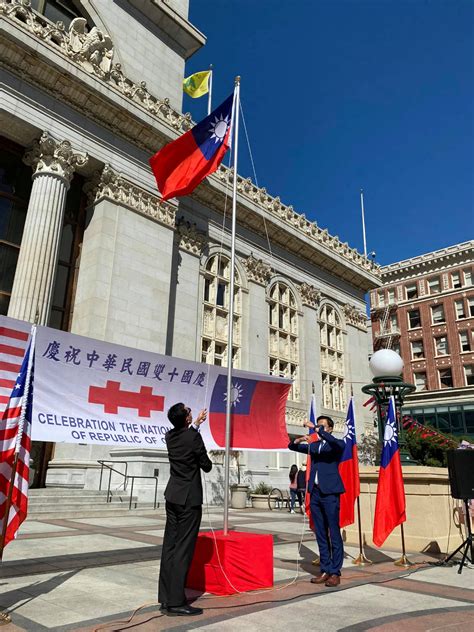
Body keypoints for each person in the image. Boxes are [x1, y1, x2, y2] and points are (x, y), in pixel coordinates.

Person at [158, 403, 212, 616]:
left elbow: (185, 436)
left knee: (169, 547)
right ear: (186, 419)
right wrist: (197, 431)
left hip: (173, 496)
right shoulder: (193, 438)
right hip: (189, 500)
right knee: (183, 550)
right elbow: (206, 465)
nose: (192, 412)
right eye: (189, 412)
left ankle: (165, 597)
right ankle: (176, 602)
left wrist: (196, 424)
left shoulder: (170, 436)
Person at [288, 415, 345, 588]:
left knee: (333, 532)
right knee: (320, 533)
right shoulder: (314, 447)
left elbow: (335, 443)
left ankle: (335, 572)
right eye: (318, 426)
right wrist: (298, 439)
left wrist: (315, 427)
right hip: (316, 493)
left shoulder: (337, 445)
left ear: (330, 429)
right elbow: (291, 447)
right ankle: (325, 569)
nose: (319, 429)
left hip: (330, 493)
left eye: (323, 426)